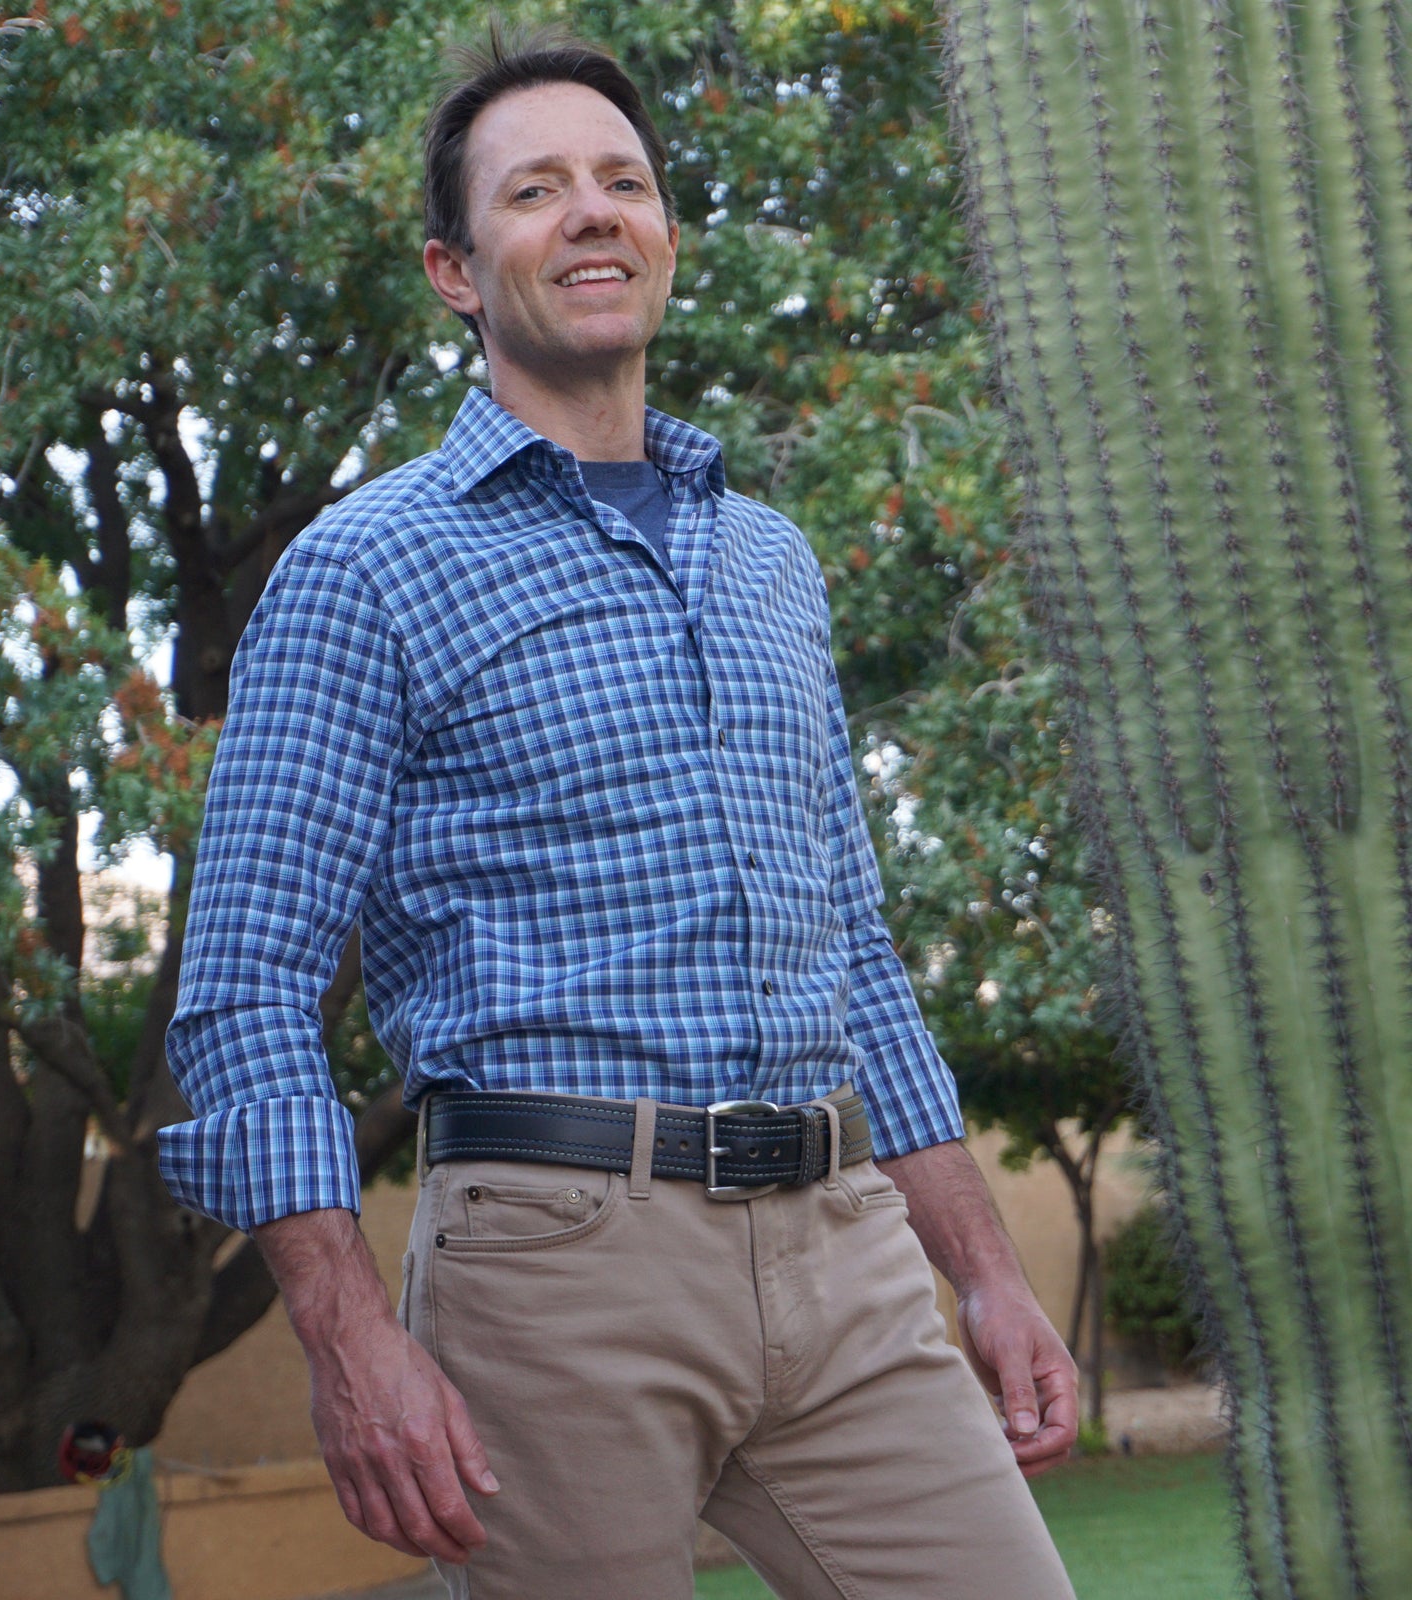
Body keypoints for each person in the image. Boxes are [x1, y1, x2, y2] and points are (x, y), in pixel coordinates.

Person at [160, 29, 1078, 1600]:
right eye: (536, 191)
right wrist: (350, 1335)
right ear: (458, 270)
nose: (593, 213)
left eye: (623, 183)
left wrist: (983, 1271)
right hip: (555, 1267)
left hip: (845, 1254)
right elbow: (241, 993)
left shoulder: (772, 560)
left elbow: (853, 950)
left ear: (664, 239)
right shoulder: (366, 569)